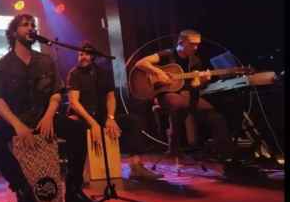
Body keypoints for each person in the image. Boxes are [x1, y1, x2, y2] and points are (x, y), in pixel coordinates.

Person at [0, 13, 104, 202]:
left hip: (44, 117)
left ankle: (74, 190)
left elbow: (56, 92)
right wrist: (18, 126)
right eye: (25, 25)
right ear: (14, 33)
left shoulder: (46, 60)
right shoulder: (3, 65)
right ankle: (24, 193)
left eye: (33, 24)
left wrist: (50, 115)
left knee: (77, 130)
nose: (31, 27)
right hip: (17, 120)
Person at [66, 42, 162, 181]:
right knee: (74, 126)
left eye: (86, 54)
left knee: (132, 121)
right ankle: (80, 171)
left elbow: (110, 97)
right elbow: (74, 103)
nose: (82, 57)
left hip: (101, 116)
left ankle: (136, 167)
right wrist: (93, 123)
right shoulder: (74, 74)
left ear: (93, 56)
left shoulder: (103, 73)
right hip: (82, 117)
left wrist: (110, 118)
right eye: (80, 54)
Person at [134, 29, 235, 160]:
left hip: (185, 95)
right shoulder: (167, 54)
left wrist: (199, 82)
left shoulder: (195, 61)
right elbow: (140, 63)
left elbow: (193, 86)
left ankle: (226, 155)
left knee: (215, 115)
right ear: (181, 42)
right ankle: (174, 145)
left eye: (198, 44)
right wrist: (158, 72)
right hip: (166, 94)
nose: (196, 47)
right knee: (178, 103)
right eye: (192, 44)